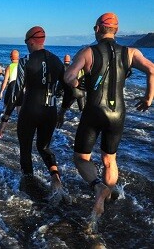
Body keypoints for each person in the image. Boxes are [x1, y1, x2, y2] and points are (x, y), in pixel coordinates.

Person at [63, 13, 154, 218]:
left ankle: (97, 187)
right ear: (117, 30)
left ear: (97, 29)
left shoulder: (88, 52)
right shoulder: (130, 52)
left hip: (94, 110)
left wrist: (78, 84)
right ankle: (104, 197)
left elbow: (69, 76)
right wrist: (149, 98)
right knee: (110, 160)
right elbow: (152, 69)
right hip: (117, 113)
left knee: (81, 158)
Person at [0, 26, 71, 199]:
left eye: (26, 42)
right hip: (50, 112)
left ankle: (29, 188)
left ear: (31, 41)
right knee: (44, 147)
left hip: (30, 111)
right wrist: (62, 111)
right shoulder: (56, 61)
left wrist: (4, 119)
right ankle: (55, 179)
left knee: (26, 148)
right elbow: (69, 89)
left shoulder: (25, 61)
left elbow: (15, 93)